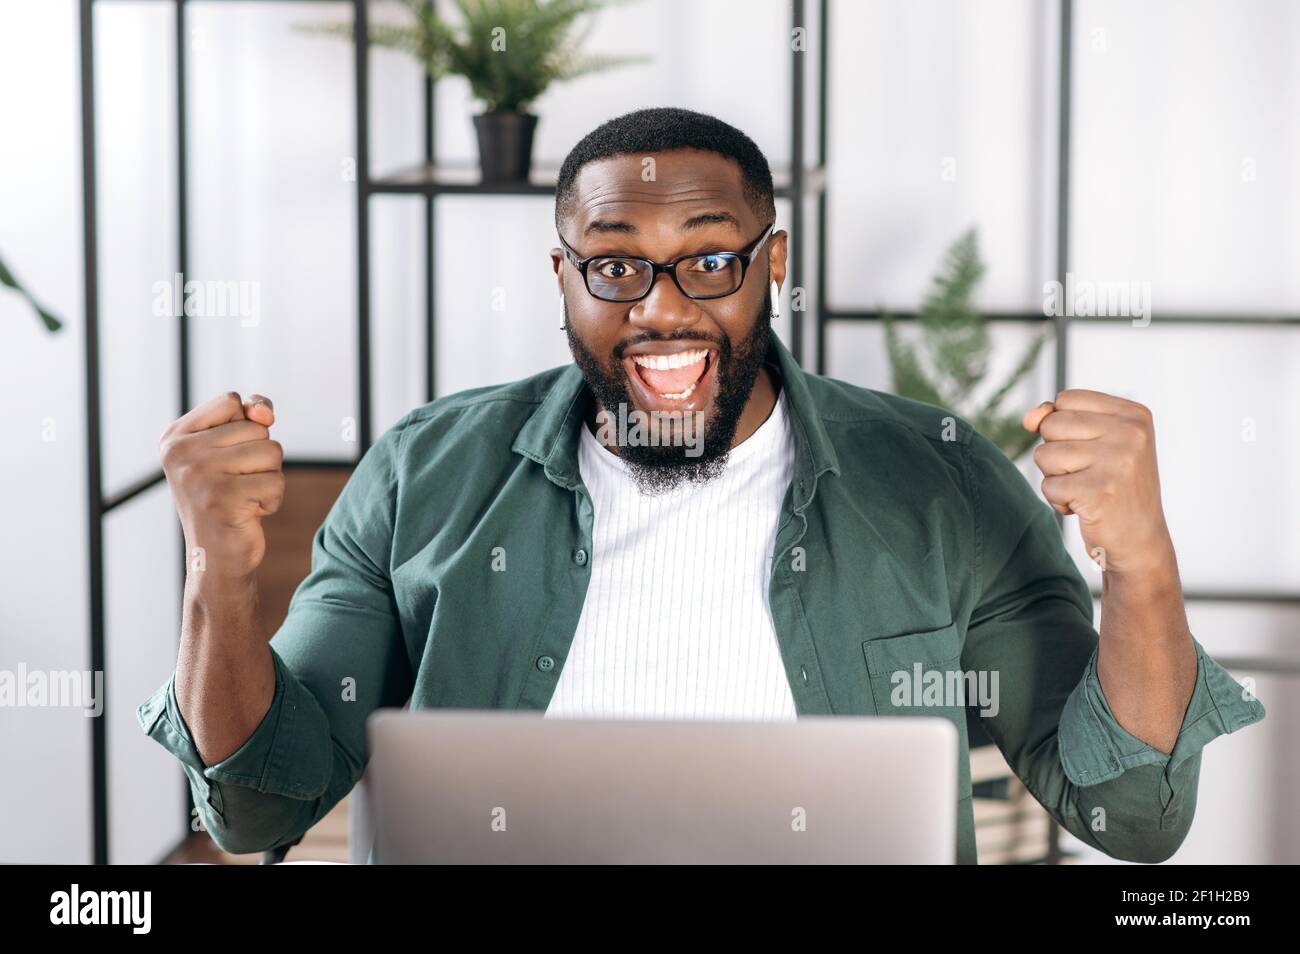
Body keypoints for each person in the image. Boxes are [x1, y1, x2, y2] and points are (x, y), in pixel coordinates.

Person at [140, 107, 1264, 864]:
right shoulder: (424, 473)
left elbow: (1129, 813)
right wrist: (217, 582)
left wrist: (1143, 566)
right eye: (615, 263)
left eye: (710, 260)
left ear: (771, 263)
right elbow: (256, 805)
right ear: (564, 276)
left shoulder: (940, 481)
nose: (661, 307)